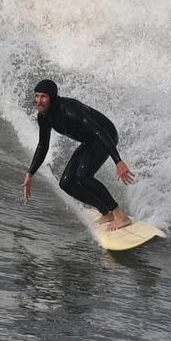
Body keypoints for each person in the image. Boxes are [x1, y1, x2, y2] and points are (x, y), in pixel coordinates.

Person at [21, 79, 136, 230]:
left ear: (52, 97)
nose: (39, 100)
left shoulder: (70, 110)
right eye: (37, 96)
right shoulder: (44, 116)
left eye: (44, 96)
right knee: (66, 183)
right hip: (89, 140)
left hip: (105, 134)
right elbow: (43, 145)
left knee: (83, 176)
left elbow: (99, 131)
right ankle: (106, 212)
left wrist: (118, 161)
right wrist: (30, 173)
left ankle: (120, 215)